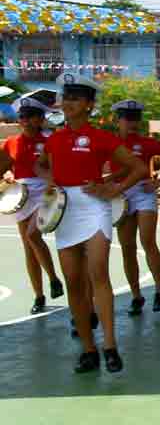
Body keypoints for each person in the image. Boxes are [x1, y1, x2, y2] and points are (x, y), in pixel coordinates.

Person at [40, 73, 147, 373]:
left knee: (98, 271)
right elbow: (41, 166)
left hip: (94, 207)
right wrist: (51, 183)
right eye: (66, 97)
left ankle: (110, 345)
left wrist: (114, 189)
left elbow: (137, 168)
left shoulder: (102, 137)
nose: (68, 103)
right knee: (74, 282)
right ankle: (89, 349)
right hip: (64, 211)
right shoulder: (55, 139)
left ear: (89, 104)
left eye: (75, 98)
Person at [0, 96, 66, 314]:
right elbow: (2, 167)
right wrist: (6, 179)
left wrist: (53, 183)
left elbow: (58, 168)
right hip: (21, 195)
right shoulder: (10, 143)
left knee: (32, 235)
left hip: (45, 193)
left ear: (40, 119)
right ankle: (39, 296)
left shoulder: (50, 140)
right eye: (22, 116)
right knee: (29, 249)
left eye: (30, 117)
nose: (25, 121)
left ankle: (54, 278)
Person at [107, 99, 160, 315]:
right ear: (118, 120)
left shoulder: (147, 143)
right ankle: (136, 294)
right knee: (127, 247)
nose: (132, 123)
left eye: (136, 119)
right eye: (127, 118)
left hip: (143, 192)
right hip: (120, 195)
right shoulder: (109, 142)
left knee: (147, 240)